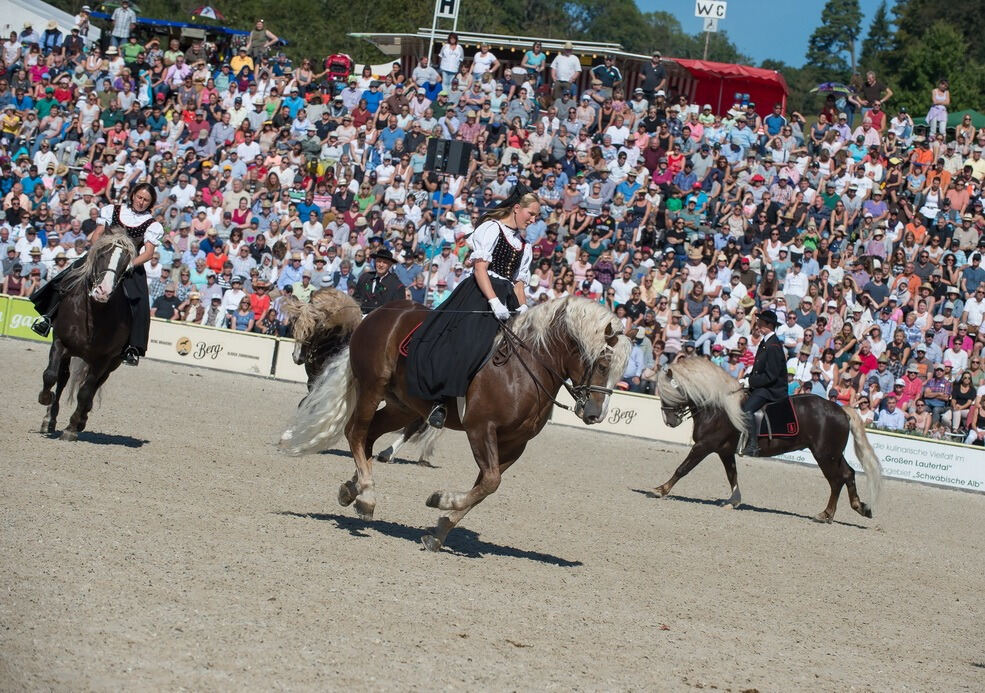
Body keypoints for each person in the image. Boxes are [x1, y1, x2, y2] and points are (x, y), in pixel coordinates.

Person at [406, 185, 537, 429]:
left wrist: (523, 308)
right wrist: (494, 301)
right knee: (467, 342)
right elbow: (480, 269)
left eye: (536, 216)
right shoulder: (491, 228)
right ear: (517, 208)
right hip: (480, 294)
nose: (533, 220)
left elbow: (519, 282)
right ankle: (439, 401)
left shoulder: (525, 245)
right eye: (531, 214)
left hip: (508, 298)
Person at [29, 183, 163, 366]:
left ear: (150, 203)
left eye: (146, 200)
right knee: (69, 276)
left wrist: (128, 265)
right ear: (133, 195)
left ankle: (133, 346)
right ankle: (48, 316)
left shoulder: (152, 224)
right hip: (102, 256)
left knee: (140, 301)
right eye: (139, 197)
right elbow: (97, 235)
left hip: (130, 264)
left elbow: (148, 253)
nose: (141, 202)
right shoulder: (113, 210)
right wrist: (99, 254)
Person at [738, 309, 787, 456]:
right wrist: (748, 377)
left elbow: (771, 375)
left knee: (746, 411)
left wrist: (751, 382)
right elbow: (759, 368)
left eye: (761, 322)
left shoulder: (773, 346)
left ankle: (753, 445)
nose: (757, 324)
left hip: (771, 389)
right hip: (763, 385)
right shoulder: (766, 342)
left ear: (769, 325)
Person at [353, 247, 405, 314]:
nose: (381, 265)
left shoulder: (396, 286)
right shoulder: (365, 278)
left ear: (390, 265)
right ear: (375, 262)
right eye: (379, 261)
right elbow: (355, 299)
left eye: (385, 262)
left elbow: (398, 311)